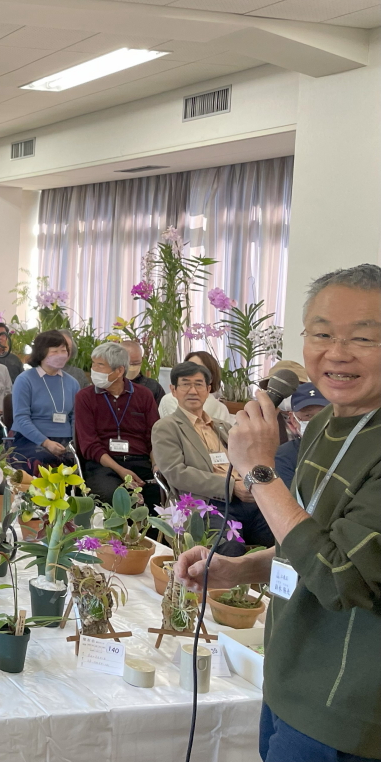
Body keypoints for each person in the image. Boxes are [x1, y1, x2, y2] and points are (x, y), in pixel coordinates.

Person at [177, 264, 381, 762]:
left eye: (362, 338)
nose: (337, 352)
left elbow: (341, 577)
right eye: (322, 333)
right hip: (289, 680)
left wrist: (260, 473)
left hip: (345, 711)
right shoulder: (322, 425)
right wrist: (242, 567)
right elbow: (312, 540)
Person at [151, 361, 273, 551]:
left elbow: (248, 459)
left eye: (199, 384)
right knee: (229, 547)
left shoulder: (222, 426)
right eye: (185, 384)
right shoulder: (167, 427)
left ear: (208, 389)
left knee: (284, 538)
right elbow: (177, 473)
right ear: (173, 390)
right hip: (204, 504)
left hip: (245, 499)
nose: (193, 390)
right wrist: (230, 487)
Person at [73, 341, 160, 507]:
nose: (94, 370)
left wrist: (156, 466)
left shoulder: (144, 395)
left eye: (100, 365)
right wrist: (121, 471)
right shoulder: (85, 397)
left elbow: (154, 438)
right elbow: (89, 444)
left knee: (156, 499)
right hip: (103, 465)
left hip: (140, 462)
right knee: (114, 497)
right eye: (93, 364)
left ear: (119, 370)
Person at [10, 330, 80, 471]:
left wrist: (73, 443)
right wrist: (46, 442)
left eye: (63, 350)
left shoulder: (72, 383)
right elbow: (21, 418)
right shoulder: (25, 380)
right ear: (41, 353)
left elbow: (75, 418)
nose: (61, 355)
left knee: (78, 461)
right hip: (29, 439)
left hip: (65, 440)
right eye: (55, 351)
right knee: (44, 460)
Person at [158, 349, 235, 425]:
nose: (193, 372)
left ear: (210, 378)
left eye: (200, 369)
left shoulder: (221, 409)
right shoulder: (169, 399)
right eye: (189, 367)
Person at [274, 383, 329, 487]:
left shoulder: (349, 450)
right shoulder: (285, 456)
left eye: (323, 414)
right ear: (293, 419)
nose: (316, 421)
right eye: (308, 415)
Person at [120, 339, 164, 404]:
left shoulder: (153, 387)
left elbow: (161, 412)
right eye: (127, 364)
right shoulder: (107, 386)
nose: (131, 367)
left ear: (142, 359)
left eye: (135, 363)